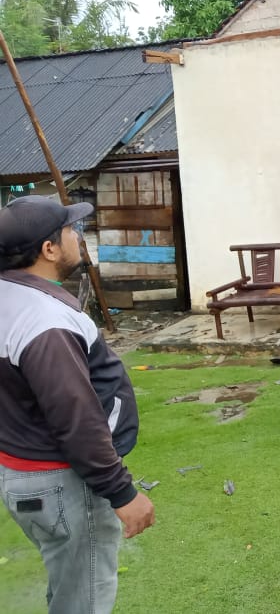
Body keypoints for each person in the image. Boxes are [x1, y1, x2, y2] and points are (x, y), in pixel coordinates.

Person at [0, 195, 156, 613]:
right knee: (83, 601)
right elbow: (75, 418)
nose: (78, 238)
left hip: (22, 471)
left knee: (69, 589)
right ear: (49, 249)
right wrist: (122, 493)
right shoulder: (43, 321)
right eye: (72, 231)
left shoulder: (8, 297)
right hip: (61, 481)